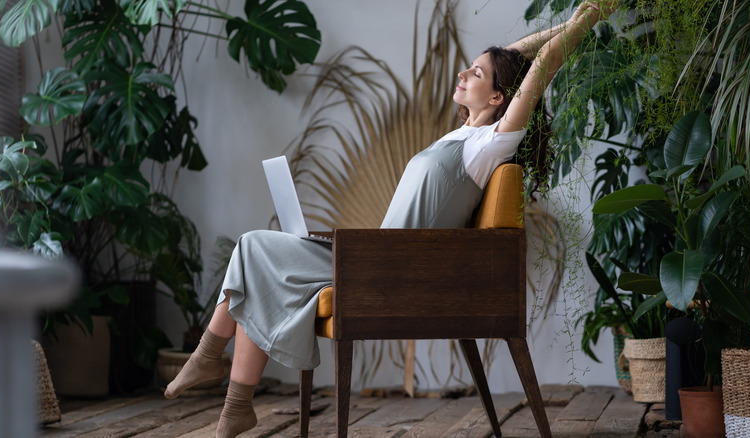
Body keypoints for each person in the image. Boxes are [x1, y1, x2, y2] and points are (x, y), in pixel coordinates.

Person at [163, 1, 618, 436]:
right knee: (254, 251)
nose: (463, 73)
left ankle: (212, 363)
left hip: (391, 269)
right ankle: (232, 404)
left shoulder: (490, 146)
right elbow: (517, 53)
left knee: (254, 248)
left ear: (500, 96)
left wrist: (592, 14)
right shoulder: (464, 134)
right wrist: (568, 18)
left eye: (476, 73)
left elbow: (539, 69)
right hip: (374, 256)